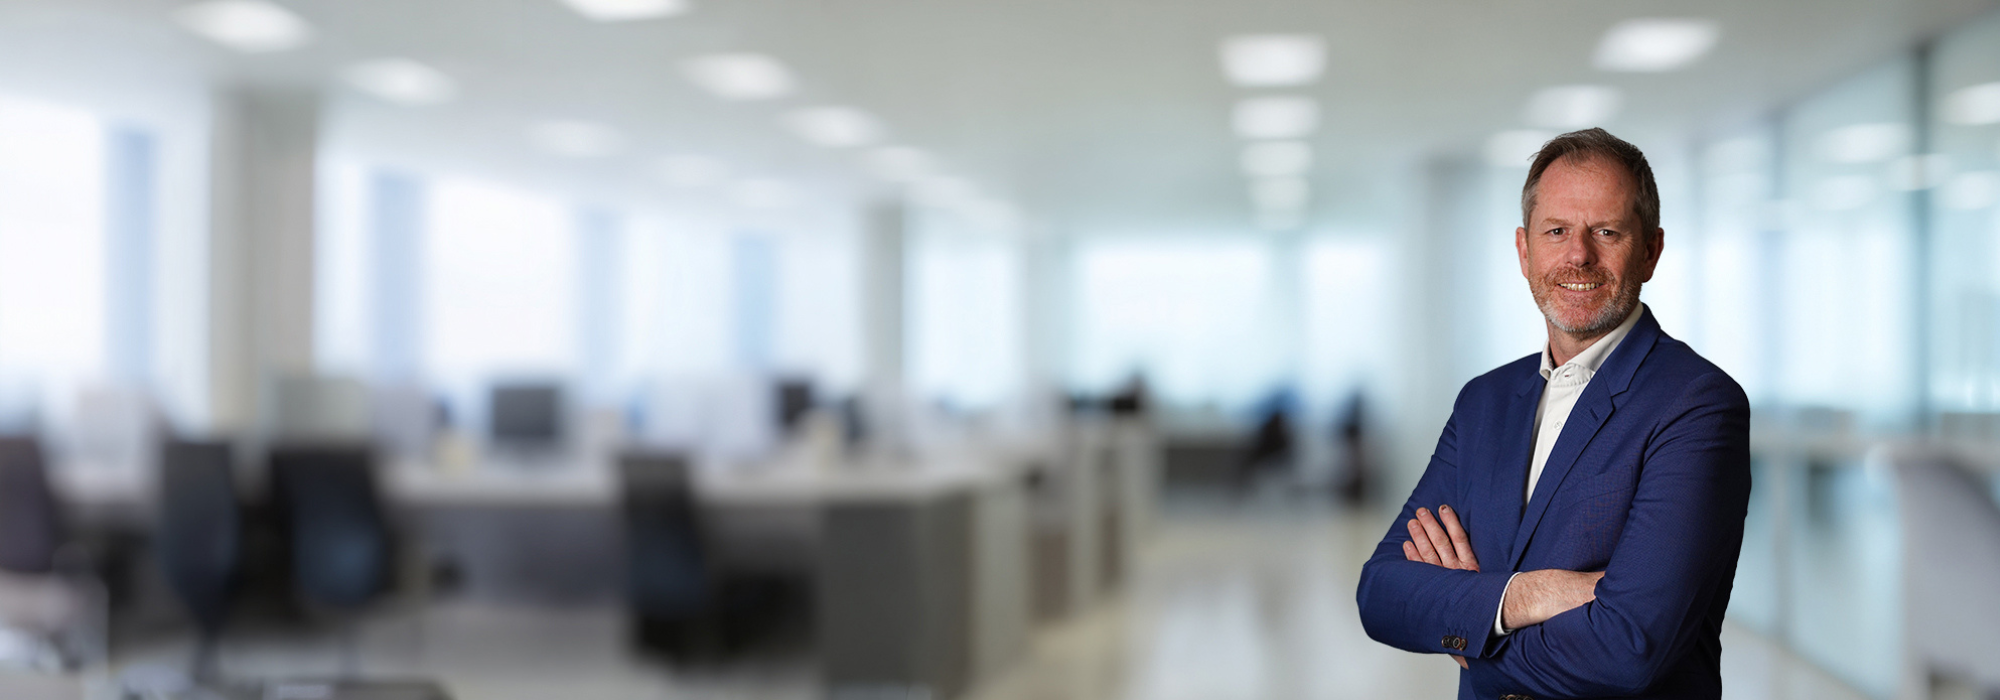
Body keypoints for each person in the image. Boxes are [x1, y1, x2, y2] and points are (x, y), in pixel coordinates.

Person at [1355, 128, 1752, 699]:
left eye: (1607, 232)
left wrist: (1470, 627)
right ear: (1524, 250)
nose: (1578, 255)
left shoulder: (1696, 403)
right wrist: (1525, 596)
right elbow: (1382, 595)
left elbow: (1627, 646)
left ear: (1650, 251)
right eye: (1556, 231)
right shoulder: (1484, 402)